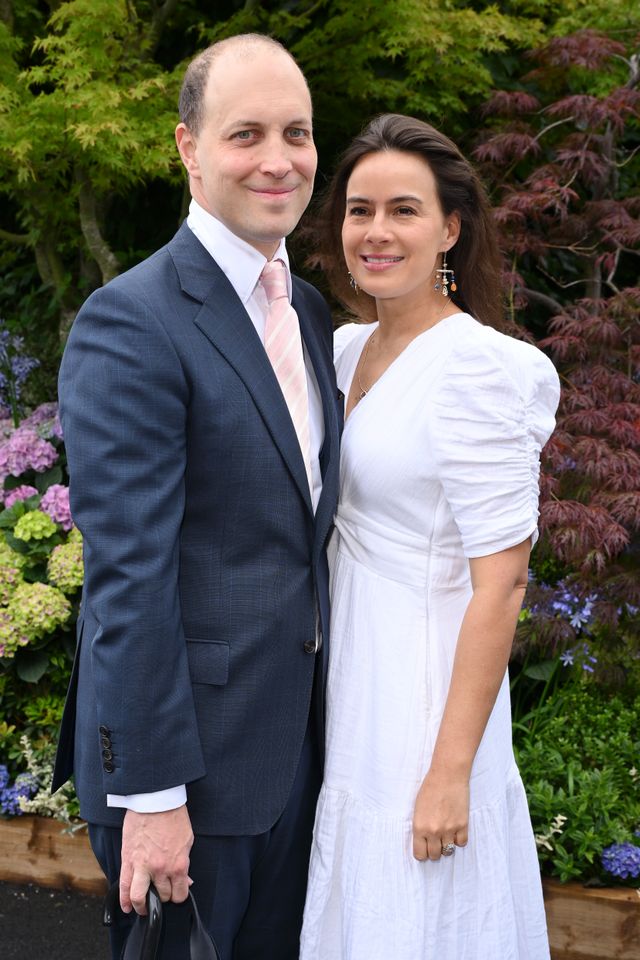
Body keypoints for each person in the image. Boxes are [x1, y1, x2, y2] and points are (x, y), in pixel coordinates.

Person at [52, 34, 341, 960]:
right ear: (188, 148)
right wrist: (153, 796)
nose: (277, 159)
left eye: (295, 133)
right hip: (189, 778)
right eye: (245, 133)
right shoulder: (133, 321)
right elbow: (128, 578)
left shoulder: (303, 310)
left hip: (294, 750)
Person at [300, 113, 560, 959]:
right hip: (353, 689)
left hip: (426, 705)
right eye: (359, 209)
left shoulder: (480, 369)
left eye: (404, 210)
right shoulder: (340, 352)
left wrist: (449, 772)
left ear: (451, 226)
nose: (376, 232)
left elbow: (504, 583)